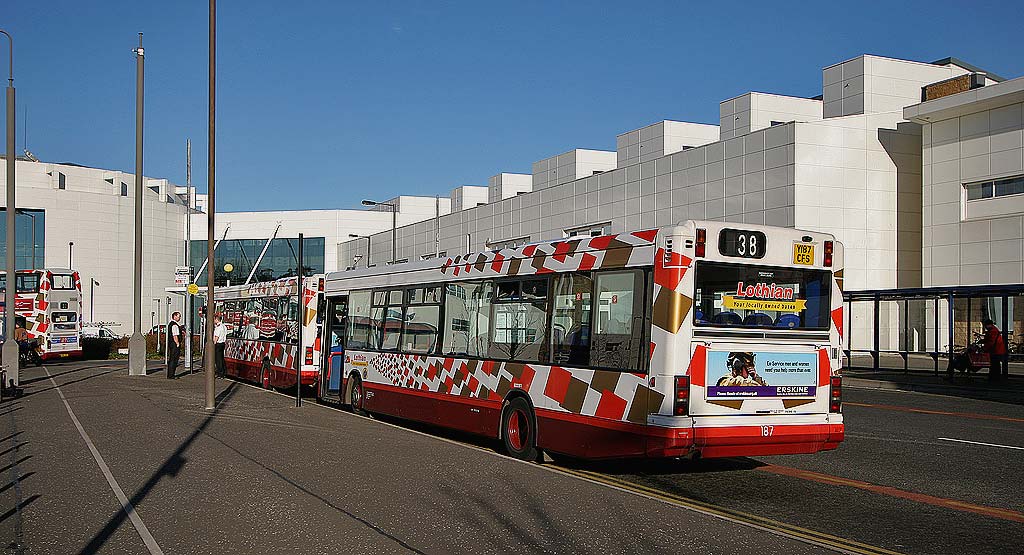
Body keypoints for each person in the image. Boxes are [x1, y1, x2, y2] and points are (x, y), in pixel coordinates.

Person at [166, 311, 182, 379]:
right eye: (179, 316)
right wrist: (177, 343)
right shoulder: (174, 325)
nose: (180, 318)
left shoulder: (170, 324)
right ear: (175, 316)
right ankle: (171, 375)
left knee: (172, 358)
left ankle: (170, 374)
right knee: (174, 359)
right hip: (174, 344)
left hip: (171, 344)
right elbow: (175, 335)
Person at [214, 313, 227, 378]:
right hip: (223, 343)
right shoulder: (224, 326)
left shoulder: (218, 327)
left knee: (218, 359)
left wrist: (214, 343)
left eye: (214, 319)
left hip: (218, 344)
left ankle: (220, 373)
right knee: (221, 358)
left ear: (216, 319)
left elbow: (216, 336)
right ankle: (223, 372)